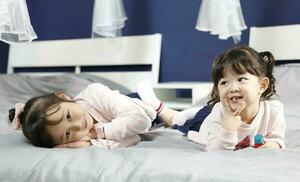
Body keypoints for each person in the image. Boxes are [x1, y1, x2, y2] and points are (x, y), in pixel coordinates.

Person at [137, 46, 286, 151]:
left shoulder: (274, 111)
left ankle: (190, 111)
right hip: (204, 124)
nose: (232, 88)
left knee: (200, 112)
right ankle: (158, 107)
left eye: (241, 79)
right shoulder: (219, 111)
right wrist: (228, 129)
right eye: (224, 82)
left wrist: (273, 144)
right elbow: (215, 151)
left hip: (211, 113)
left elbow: (278, 139)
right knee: (177, 121)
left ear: (262, 85)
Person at [9, 83, 156, 149]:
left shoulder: (95, 93)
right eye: (67, 134)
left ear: (64, 96)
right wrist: (93, 143)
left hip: (136, 105)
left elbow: (141, 120)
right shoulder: (84, 139)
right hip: (143, 122)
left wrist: (100, 132)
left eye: (68, 116)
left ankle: (154, 101)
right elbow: (135, 138)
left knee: (153, 109)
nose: (77, 126)